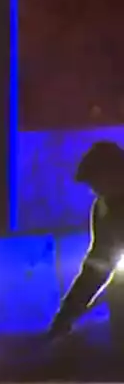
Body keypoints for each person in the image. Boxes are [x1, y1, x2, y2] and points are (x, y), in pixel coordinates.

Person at [47, 140, 124, 340]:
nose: (95, 190)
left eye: (97, 182)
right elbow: (98, 265)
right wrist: (67, 314)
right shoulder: (103, 209)